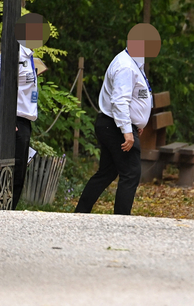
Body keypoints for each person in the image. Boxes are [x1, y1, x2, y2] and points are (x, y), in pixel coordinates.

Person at [74, 24, 161, 215]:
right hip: (115, 126)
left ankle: (81, 212)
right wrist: (127, 131)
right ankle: (121, 219)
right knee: (131, 173)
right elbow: (119, 101)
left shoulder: (133, 62)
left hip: (114, 124)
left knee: (106, 172)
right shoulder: (125, 66)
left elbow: (134, 97)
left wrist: (136, 122)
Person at [0, 13, 50, 210]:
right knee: (10, 171)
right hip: (12, 121)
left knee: (18, 172)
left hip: (22, 122)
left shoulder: (26, 55)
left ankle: (6, 212)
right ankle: (0, 213)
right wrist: (5, 117)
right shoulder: (15, 54)